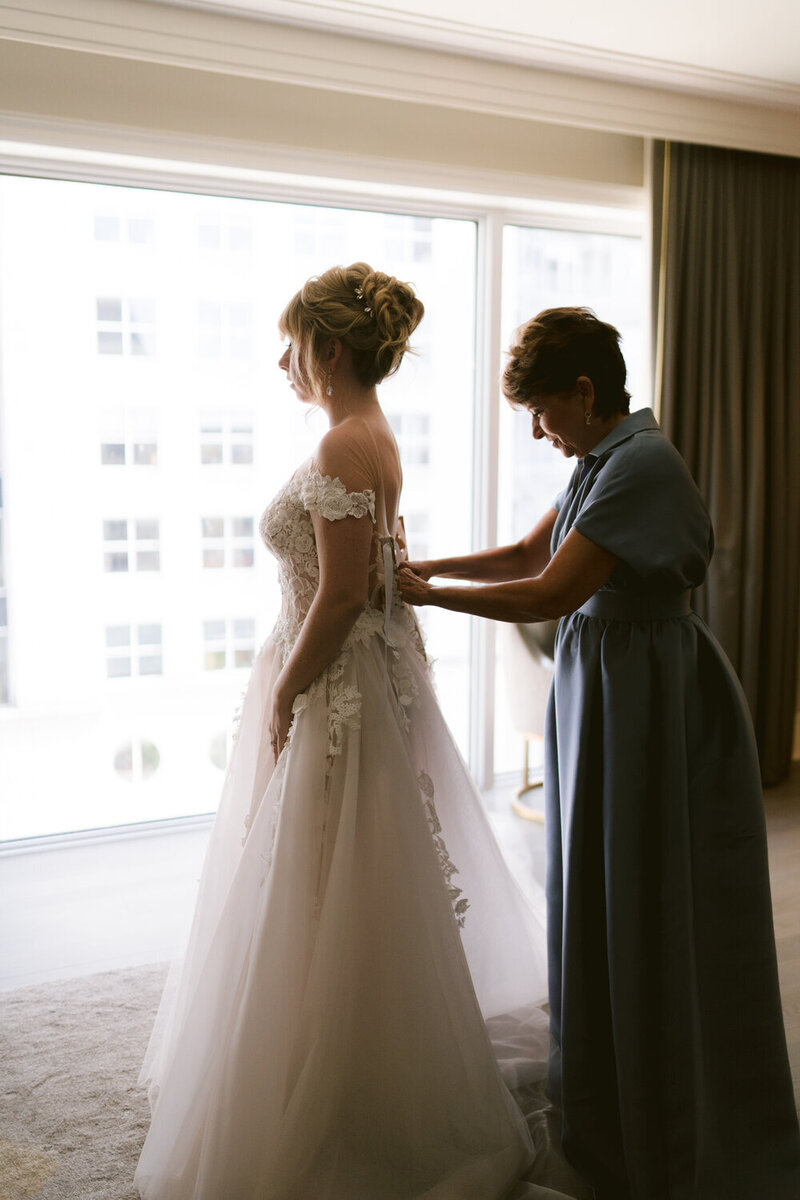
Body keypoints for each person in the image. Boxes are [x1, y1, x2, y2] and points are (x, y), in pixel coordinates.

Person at [135, 266, 590, 1200]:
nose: (282, 364)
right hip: (358, 678)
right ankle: (332, 1046)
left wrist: (283, 693)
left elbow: (342, 594)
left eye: (293, 346)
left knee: (319, 874)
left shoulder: (346, 443)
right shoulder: (371, 436)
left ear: (330, 350)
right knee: (339, 875)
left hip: (333, 679)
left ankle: (336, 1079)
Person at [399, 306, 800, 1200]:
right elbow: (520, 552)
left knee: (649, 893)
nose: (538, 431)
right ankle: (614, 1090)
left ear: (584, 391)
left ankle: (666, 1105)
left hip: (650, 696)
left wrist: (427, 600)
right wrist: (423, 569)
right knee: (595, 887)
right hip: (607, 688)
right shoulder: (600, 459)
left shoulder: (643, 466)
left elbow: (548, 592)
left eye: (542, 411)